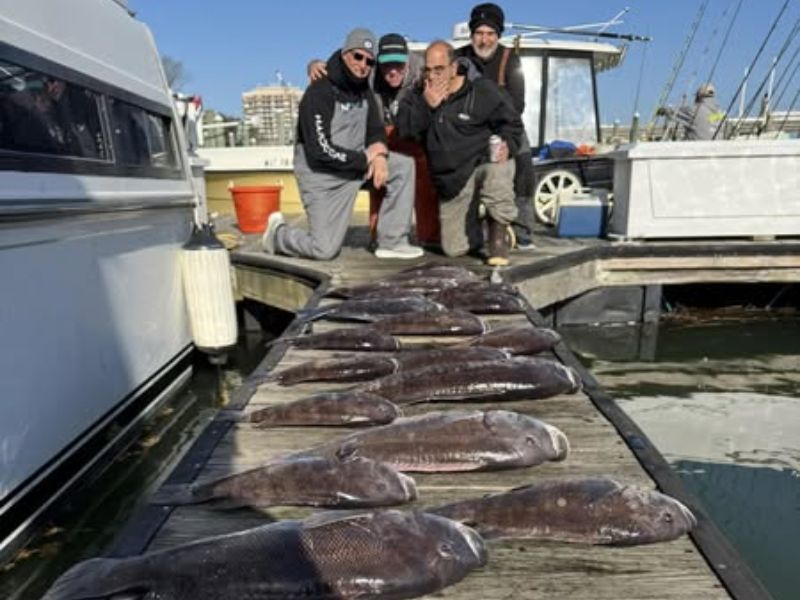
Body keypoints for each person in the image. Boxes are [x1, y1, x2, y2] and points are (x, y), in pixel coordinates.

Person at [262, 28, 423, 260]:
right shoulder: (319, 91)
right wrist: (366, 158)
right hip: (323, 178)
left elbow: (375, 129)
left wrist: (378, 154)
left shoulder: (364, 91)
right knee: (324, 250)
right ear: (345, 53)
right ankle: (278, 235)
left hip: (355, 168)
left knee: (403, 166)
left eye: (369, 61)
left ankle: (392, 241)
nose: (362, 65)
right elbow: (319, 151)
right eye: (358, 56)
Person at [396, 40, 522, 266]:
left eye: (439, 69)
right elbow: (406, 131)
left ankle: (498, 236)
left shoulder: (481, 90)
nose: (432, 76)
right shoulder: (418, 94)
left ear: (454, 67)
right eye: (428, 70)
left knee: (498, 168)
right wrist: (427, 107)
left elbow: (512, 124)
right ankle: (481, 227)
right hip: (452, 182)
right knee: (455, 249)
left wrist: (508, 145)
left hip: (481, 165)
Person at [307, 34, 440, 246]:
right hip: (380, 135)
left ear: (407, 61)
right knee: (380, 175)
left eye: (398, 64)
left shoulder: (422, 71)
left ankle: (429, 235)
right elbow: (342, 66)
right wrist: (314, 65)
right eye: (387, 66)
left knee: (423, 175)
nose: (393, 71)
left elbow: (457, 67)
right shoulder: (368, 72)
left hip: (414, 135)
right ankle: (379, 235)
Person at [455, 2, 537, 250]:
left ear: (498, 35)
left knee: (523, 160)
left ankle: (523, 231)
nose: (484, 39)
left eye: (490, 34)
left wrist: (502, 138)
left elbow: (518, 105)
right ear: (471, 35)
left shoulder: (511, 61)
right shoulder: (457, 58)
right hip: (468, 129)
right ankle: (464, 228)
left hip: (504, 127)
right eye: (479, 33)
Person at [659, 83, 725, 141]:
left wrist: (662, 110)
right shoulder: (721, 114)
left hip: (697, 151)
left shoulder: (694, 110)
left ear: (699, 96)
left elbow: (673, 112)